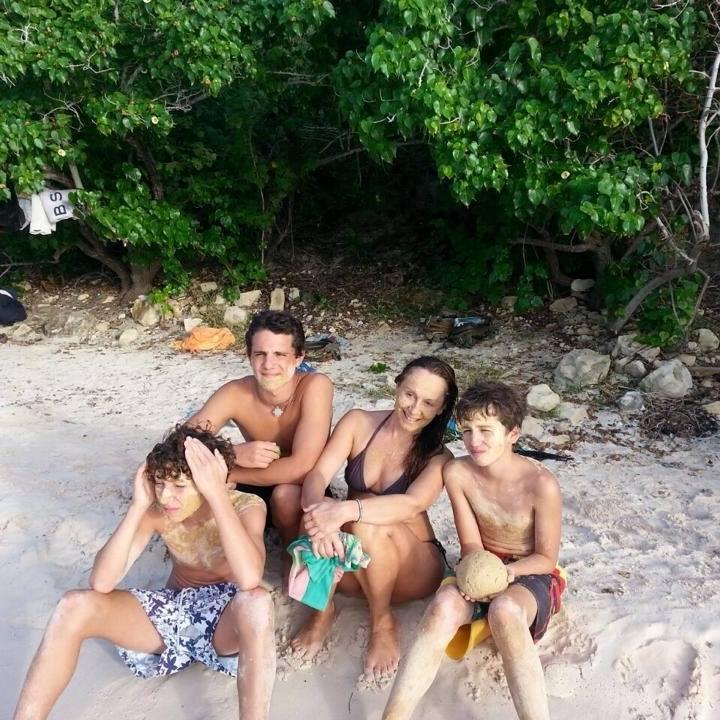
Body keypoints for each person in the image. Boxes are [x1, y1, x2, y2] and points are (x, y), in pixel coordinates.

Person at [13, 425, 274, 720]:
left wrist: (217, 496)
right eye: (160, 483)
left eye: (179, 486)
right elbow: (101, 582)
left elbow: (249, 578)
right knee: (72, 605)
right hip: (173, 614)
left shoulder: (246, 506)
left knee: (257, 602)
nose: (166, 496)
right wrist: (138, 507)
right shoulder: (158, 512)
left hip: (226, 624)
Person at [383, 381, 564, 720]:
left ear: (512, 433)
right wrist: (474, 576)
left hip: (527, 571)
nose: (474, 441)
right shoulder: (458, 473)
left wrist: (506, 574)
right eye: (467, 431)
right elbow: (470, 544)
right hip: (479, 562)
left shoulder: (542, 485)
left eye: (485, 430)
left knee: (505, 612)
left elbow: (546, 559)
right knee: (443, 606)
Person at [291, 356, 458, 681]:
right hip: (359, 565)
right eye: (410, 394)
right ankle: (322, 612)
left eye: (428, 403)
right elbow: (318, 475)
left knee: (364, 519)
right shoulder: (358, 423)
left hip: (412, 569)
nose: (415, 409)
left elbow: (411, 504)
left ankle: (382, 621)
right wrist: (318, 515)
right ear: (397, 386)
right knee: (313, 515)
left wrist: (346, 510)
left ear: (440, 409)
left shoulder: (438, 456)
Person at [186, 310, 334, 546]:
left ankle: (289, 555)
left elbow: (302, 467)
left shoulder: (315, 386)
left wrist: (226, 471)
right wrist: (232, 452)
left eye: (280, 354)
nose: (268, 364)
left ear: (299, 357)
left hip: (302, 489)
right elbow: (182, 441)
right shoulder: (236, 393)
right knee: (186, 483)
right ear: (249, 356)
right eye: (260, 354)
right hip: (254, 484)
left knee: (285, 495)